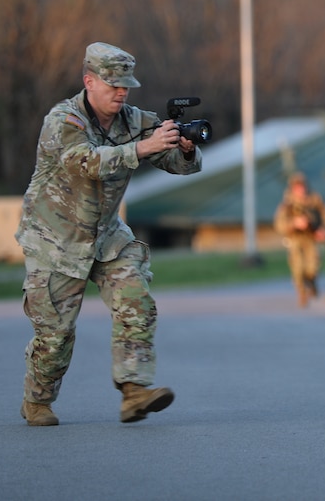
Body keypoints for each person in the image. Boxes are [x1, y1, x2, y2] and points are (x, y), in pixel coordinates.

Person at [16, 42, 203, 426]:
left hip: (106, 235)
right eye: (113, 85)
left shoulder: (132, 120)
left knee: (136, 300)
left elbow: (177, 164)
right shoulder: (63, 121)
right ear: (89, 81)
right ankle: (37, 399)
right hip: (56, 240)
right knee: (55, 337)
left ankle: (134, 391)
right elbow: (86, 162)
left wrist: (183, 149)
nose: (121, 93)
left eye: (126, 86)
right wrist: (144, 147)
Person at [273, 172, 325, 307]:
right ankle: (302, 293)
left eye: (302, 186)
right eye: (297, 187)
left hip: (311, 237)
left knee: (313, 267)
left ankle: (311, 283)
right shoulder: (287, 204)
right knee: (298, 269)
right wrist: (294, 223)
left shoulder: (315, 200)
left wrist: (323, 230)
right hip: (295, 239)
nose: (300, 190)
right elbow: (279, 224)